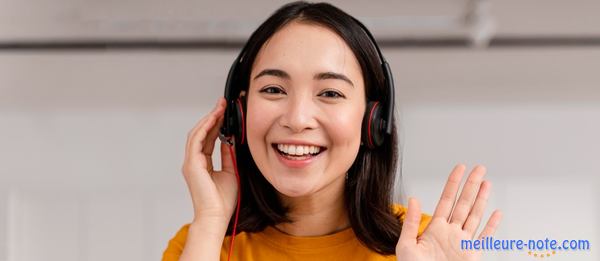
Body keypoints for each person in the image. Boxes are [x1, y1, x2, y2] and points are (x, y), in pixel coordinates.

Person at [162, 1, 502, 260]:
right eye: (274, 90)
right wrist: (210, 220)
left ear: (373, 120)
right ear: (239, 111)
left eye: (330, 93)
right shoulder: (203, 243)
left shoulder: (424, 246)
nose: (297, 118)